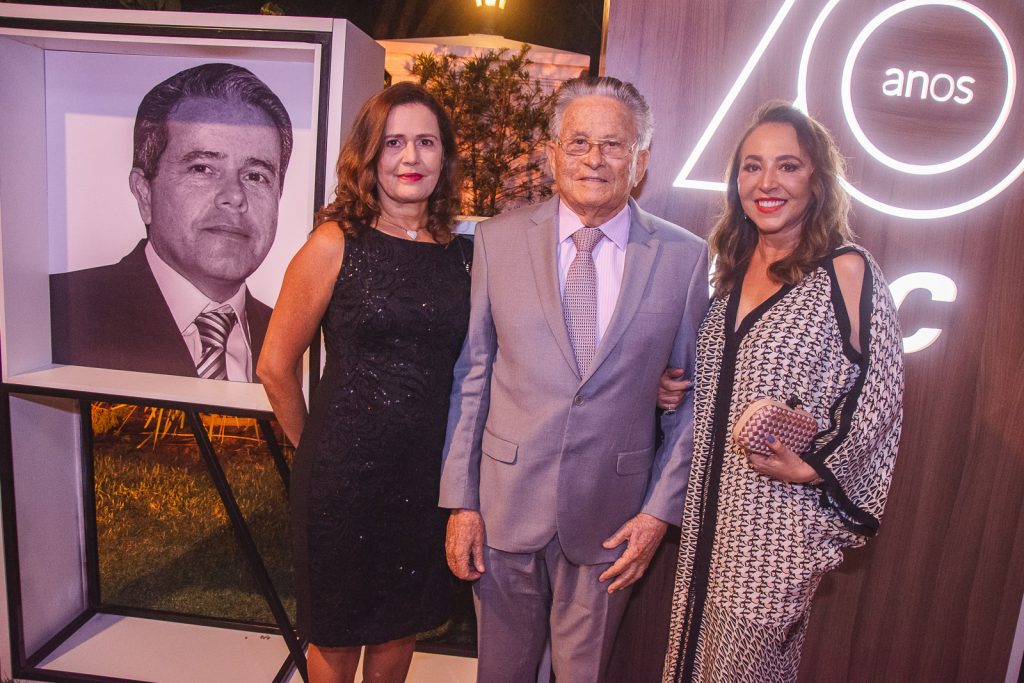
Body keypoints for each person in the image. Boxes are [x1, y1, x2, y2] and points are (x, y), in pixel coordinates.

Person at [440, 76, 710, 682]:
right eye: (579, 142)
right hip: (504, 506)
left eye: (613, 145)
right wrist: (461, 501)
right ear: (552, 152)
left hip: (612, 518)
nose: (594, 159)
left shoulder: (684, 258)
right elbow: (473, 374)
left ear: (640, 162)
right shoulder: (497, 239)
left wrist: (658, 514)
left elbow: (692, 401)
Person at [661, 102, 904, 683]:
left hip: (776, 531)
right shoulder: (730, 271)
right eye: (752, 166)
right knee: (692, 663)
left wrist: (817, 465)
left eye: (788, 166)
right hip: (708, 521)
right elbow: (723, 385)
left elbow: (881, 393)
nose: (767, 182)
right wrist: (670, 389)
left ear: (816, 180)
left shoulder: (847, 270)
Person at [257, 82, 470, 683]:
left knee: (400, 630)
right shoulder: (335, 244)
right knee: (336, 636)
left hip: (424, 481)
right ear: (369, 156)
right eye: (394, 143)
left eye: (426, 142)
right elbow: (274, 365)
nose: (411, 157)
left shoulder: (461, 257)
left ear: (445, 157)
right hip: (342, 482)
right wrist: (315, 452)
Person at [49, 62, 293, 381]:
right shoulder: (54, 315)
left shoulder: (296, 345)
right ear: (144, 193)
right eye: (202, 168)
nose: (235, 196)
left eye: (256, 176)